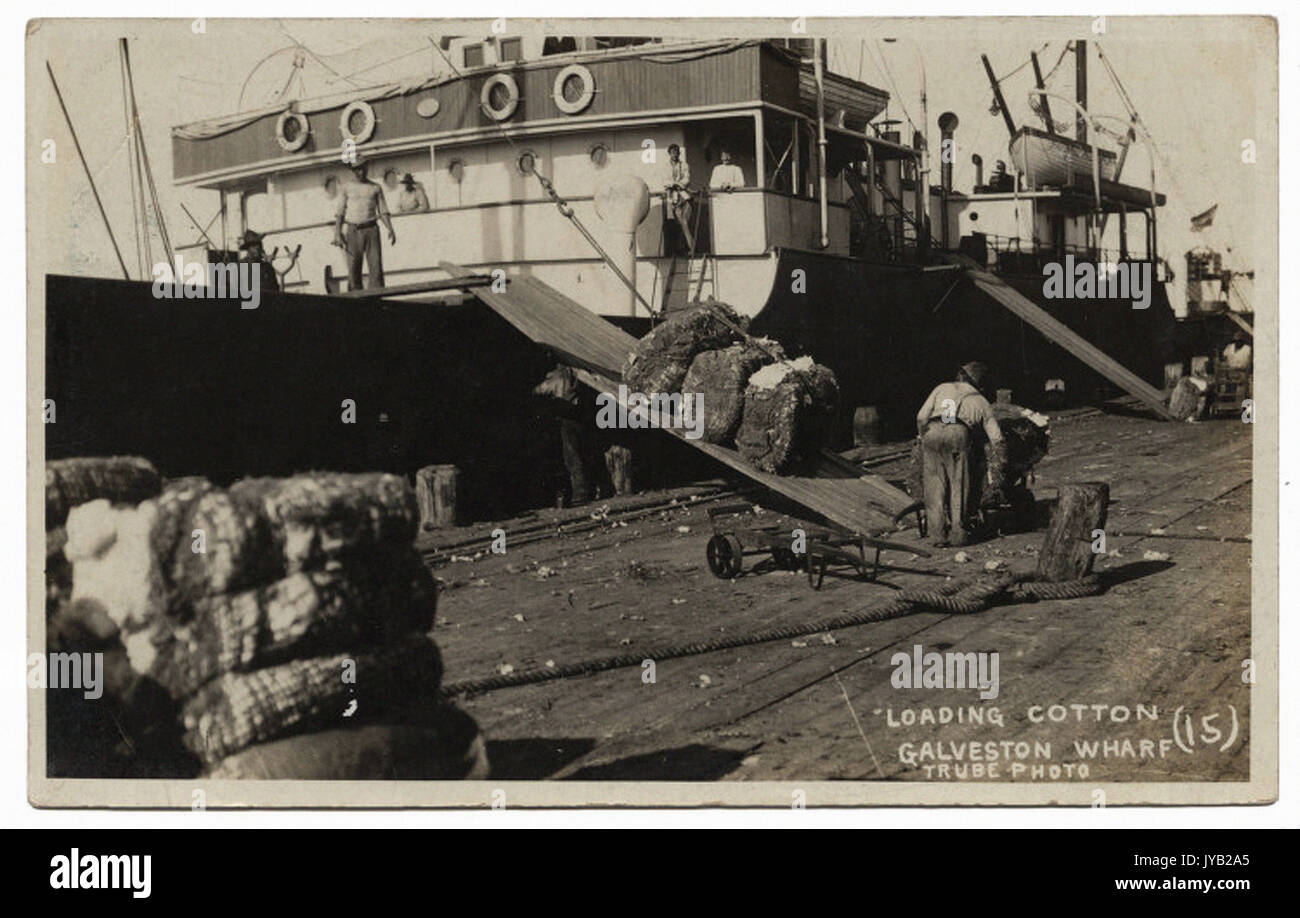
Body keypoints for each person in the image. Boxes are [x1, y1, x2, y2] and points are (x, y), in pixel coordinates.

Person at [915, 361, 1005, 547]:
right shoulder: (980, 400)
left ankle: (938, 536)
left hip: (932, 432)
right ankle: (958, 534)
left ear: (960, 376)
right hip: (958, 434)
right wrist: (998, 460)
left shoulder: (942, 388)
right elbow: (996, 437)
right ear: (979, 384)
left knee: (934, 485)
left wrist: (923, 436)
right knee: (959, 483)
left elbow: (921, 417)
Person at [533, 363, 592, 506]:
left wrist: (534, 391)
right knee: (579, 454)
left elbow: (541, 390)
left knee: (571, 457)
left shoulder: (556, 376)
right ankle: (584, 491)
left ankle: (580, 494)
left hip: (567, 416)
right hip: (577, 415)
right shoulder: (573, 373)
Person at [333, 157, 396, 290]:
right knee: (353, 267)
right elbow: (340, 212)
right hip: (353, 230)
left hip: (372, 229)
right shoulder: (346, 187)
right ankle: (355, 301)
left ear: (366, 168)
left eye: (362, 168)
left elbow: (383, 210)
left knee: (376, 267)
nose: (360, 172)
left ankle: (377, 299)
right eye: (357, 169)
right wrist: (337, 233)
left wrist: (390, 228)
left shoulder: (375, 187)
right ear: (352, 170)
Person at [664, 144, 694, 255]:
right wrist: (673, 184)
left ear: (679, 153)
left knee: (684, 222)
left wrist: (680, 184)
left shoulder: (684, 165)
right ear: (669, 154)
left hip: (684, 196)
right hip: (672, 196)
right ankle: (679, 249)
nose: (674, 154)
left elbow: (687, 178)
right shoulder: (665, 166)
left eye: (676, 152)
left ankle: (691, 247)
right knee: (675, 224)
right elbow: (664, 180)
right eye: (672, 152)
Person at [237, 230, 279, 294]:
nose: (257, 248)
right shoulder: (239, 267)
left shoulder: (267, 267)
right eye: (253, 246)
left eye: (259, 245)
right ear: (247, 249)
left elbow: (276, 290)